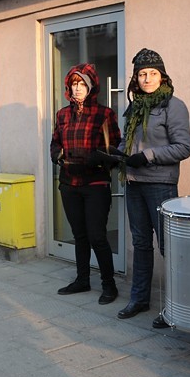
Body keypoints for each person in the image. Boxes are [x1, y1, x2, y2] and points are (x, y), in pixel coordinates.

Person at [117, 48, 190, 325]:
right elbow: (127, 142)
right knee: (140, 243)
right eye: (142, 74)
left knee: (168, 247)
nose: (147, 78)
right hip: (134, 183)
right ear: (136, 78)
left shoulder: (174, 106)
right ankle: (139, 299)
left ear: (162, 76)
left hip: (160, 184)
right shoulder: (134, 107)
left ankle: (176, 306)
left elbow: (183, 147)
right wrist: (117, 155)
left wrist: (147, 156)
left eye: (152, 73)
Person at [50, 64, 122, 305]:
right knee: (79, 235)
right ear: (68, 87)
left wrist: (99, 158)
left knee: (97, 236)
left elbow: (115, 147)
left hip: (95, 183)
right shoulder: (62, 115)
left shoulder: (105, 114)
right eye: (74, 84)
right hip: (69, 182)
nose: (77, 88)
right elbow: (55, 142)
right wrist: (56, 153)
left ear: (91, 87)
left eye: (82, 84)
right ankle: (82, 279)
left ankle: (109, 285)